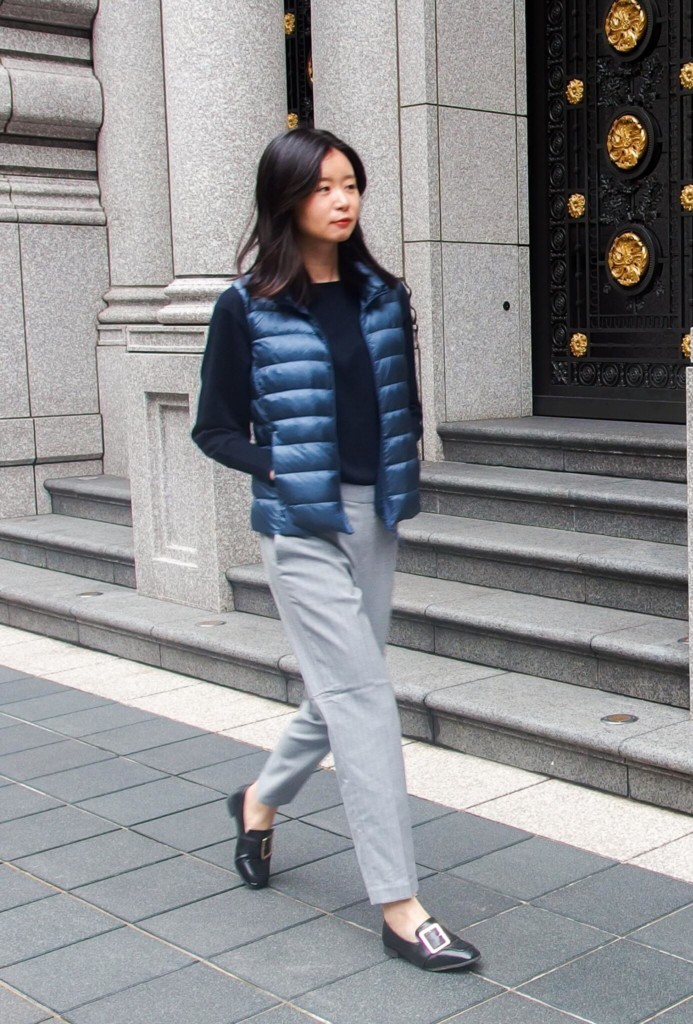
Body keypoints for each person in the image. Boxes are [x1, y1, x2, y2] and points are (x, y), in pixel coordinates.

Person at [192, 128, 480, 972]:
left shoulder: (384, 296)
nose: (342, 200)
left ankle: (257, 799)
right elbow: (214, 427)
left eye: (349, 183)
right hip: (300, 525)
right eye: (322, 187)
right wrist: (278, 464)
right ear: (286, 200)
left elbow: (402, 403)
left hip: (374, 518)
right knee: (363, 701)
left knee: (336, 694)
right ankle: (399, 906)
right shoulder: (246, 306)